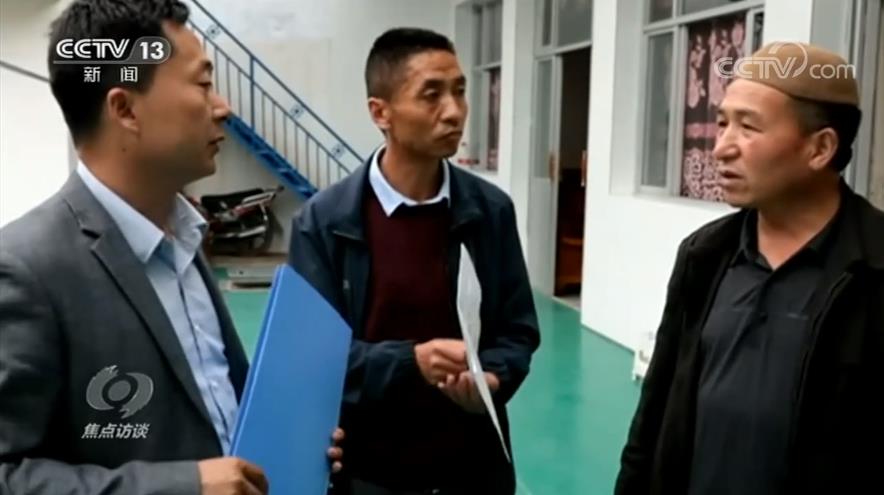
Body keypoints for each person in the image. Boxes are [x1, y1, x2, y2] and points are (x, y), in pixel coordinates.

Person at [0, 1, 342, 494]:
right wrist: (186, 486)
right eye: (203, 84)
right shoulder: (25, 270)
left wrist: (286, 446)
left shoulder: (184, 241)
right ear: (126, 110)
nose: (223, 107)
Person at [615, 42, 884, 495]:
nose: (721, 148)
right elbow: (655, 413)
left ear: (820, 148)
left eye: (749, 127)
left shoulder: (873, 268)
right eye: (722, 123)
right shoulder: (704, 256)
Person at [288, 28, 541, 495]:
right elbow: (311, 356)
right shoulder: (323, 223)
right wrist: (410, 362)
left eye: (460, 91)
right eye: (432, 95)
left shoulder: (490, 212)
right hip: (367, 473)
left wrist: (492, 377)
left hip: (472, 471)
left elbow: (517, 329)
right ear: (380, 112)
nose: (455, 110)